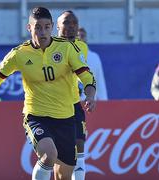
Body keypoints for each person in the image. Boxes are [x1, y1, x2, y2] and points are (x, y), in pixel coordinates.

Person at [0, 7, 96, 180]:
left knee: (65, 176)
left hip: (66, 118)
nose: (43, 32)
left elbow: (86, 76)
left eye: (47, 27)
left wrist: (90, 95)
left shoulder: (66, 48)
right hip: (36, 116)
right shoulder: (20, 54)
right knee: (48, 155)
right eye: (38, 27)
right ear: (29, 28)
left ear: (52, 27)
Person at [56, 10, 89, 180]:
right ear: (57, 26)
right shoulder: (48, 46)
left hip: (74, 103)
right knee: (54, 155)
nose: (71, 26)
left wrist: (91, 94)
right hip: (52, 106)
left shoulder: (81, 46)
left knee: (79, 144)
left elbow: (81, 73)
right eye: (66, 22)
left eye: (74, 23)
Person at [78, 27, 108, 100]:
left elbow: (99, 81)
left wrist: (104, 100)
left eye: (82, 36)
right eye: (78, 36)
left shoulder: (94, 57)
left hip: (90, 101)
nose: (80, 38)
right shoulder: (68, 55)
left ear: (86, 38)